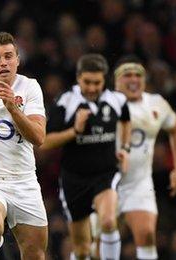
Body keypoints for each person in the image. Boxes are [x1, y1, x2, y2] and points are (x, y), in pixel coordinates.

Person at [43, 53, 130, 260]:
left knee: (108, 221)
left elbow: (126, 120)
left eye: (97, 82)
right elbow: (45, 141)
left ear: (105, 80)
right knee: (82, 250)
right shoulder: (66, 102)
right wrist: (75, 130)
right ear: (78, 77)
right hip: (74, 179)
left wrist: (124, 148)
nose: (92, 88)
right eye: (87, 82)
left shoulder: (117, 100)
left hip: (106, 174)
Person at [0, 32, 48, 259]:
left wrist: (13, 107)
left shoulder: (30, 87)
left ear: (17, 60)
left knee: (35, 255)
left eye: (8, 56)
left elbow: (38, 137)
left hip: (24, 181)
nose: (2, 62)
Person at [112, 59, 176, 259]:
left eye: (138, 75)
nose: (134, 79)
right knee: (98, 240)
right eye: (127, 75)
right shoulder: (104, 103)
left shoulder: (156, 103)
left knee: (146, 235)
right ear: (116, 82)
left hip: (139, 182)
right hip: (106, 182)